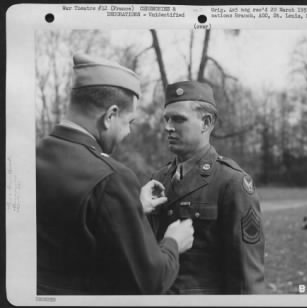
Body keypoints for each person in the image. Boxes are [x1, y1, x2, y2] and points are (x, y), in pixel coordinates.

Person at [36, 54, 194, 295]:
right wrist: (173, 242)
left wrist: (130, 207)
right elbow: (150, 281)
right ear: (110, 116)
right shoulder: (111, 178)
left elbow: (70, 225)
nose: (129, 132)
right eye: (128, 122)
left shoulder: (31, 157)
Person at [148, 81, 265, 294]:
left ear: (206, 122)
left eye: (178, 119)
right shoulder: (159, 179)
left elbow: (247, 275)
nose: (168, 127)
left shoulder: (231, 182)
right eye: (166, 118)